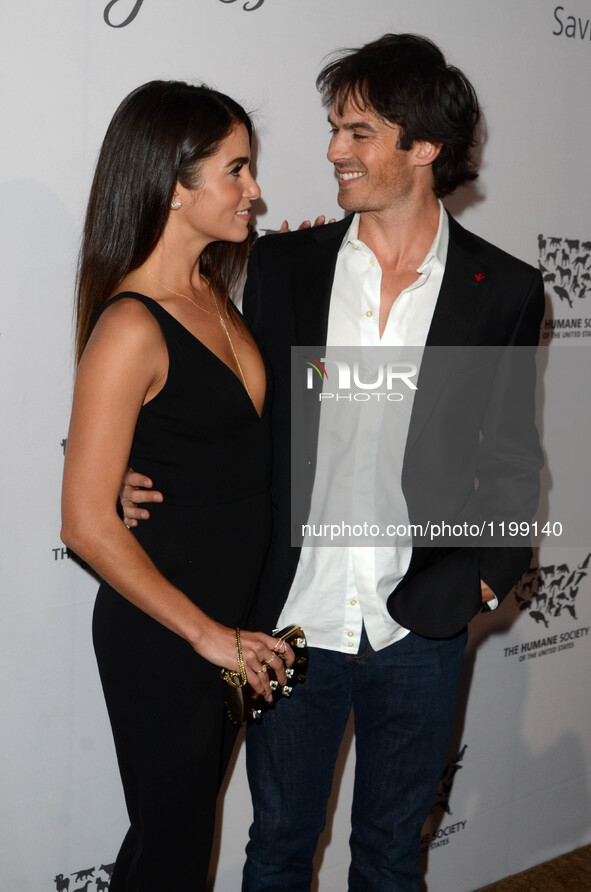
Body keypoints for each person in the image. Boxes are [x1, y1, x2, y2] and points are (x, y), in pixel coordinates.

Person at [122, 35, 544, 892]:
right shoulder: (282, 266)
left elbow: (509, 456)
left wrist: (483, 582)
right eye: (332, 128)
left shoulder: (500, 288)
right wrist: (123, 470)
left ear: (421, 147)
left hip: (417, 628)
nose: (331, 151)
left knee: (391, 859)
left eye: (357, 132)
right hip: (291, 624)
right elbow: (206, 391)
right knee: (276, 849)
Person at [60, 80, 294, 892]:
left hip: (237, 621)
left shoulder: (215, 297)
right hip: (169, 635)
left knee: (178, 842)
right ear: (171, 183)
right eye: (235, 171)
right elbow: (87, 525)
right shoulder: (132, 323)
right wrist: (205, 635)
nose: (254, 192)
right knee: (170, 846)